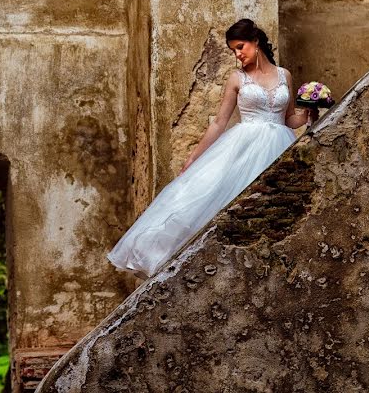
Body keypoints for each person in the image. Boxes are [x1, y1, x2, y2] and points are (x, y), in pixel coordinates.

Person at [107, 19, 315, 279]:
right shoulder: (237, 78)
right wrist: (195, 156)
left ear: (256, 42)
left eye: (241, 47)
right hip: (244, 146)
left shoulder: (284, 75)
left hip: (278, 147)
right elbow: (219, 122)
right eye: (234, 51)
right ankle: (162, 256)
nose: (238, 54)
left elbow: (288, 119)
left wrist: (309, 112)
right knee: (202, 198)